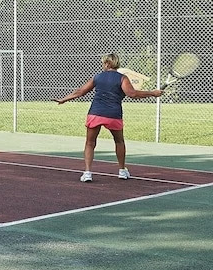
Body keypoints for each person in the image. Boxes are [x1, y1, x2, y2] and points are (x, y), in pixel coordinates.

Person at [54, 53, 163, 182]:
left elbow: (80, 92)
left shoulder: (98, 77)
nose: (103, 65)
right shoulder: (122, 78)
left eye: (103, 63)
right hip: (113, 115)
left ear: (107, 64)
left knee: (90, 143)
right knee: (119, 141)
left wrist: (64, 99)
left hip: (95, 113)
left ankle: (87, 173)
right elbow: (132, 94)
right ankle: (122, 171)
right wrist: (152, 93)